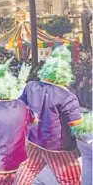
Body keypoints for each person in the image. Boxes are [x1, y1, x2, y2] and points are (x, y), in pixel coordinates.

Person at [16, 46, 92, 184]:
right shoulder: (67, 96)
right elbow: (77, 125)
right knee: (70, 178)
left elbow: (20, 107)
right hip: (59, 147)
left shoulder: (31, 86)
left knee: (28, 169)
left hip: (33, 139)